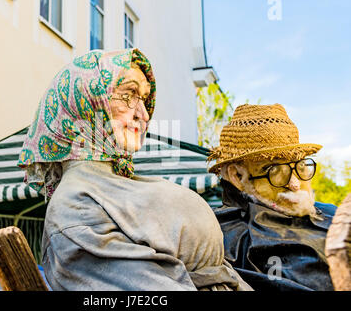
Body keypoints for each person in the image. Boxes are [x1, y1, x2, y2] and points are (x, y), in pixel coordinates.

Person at [17, 48, 252, 291]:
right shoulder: (76, 209)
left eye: (145, 99)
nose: (144, 114)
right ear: (86, 103)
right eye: (129, 94)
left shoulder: (110, 187)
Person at [208, 103, 338, 291]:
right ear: (237, 176)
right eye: (275, 170)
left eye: (300, 166)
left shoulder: (329, 212)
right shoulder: (231, 237)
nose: (294, 184)